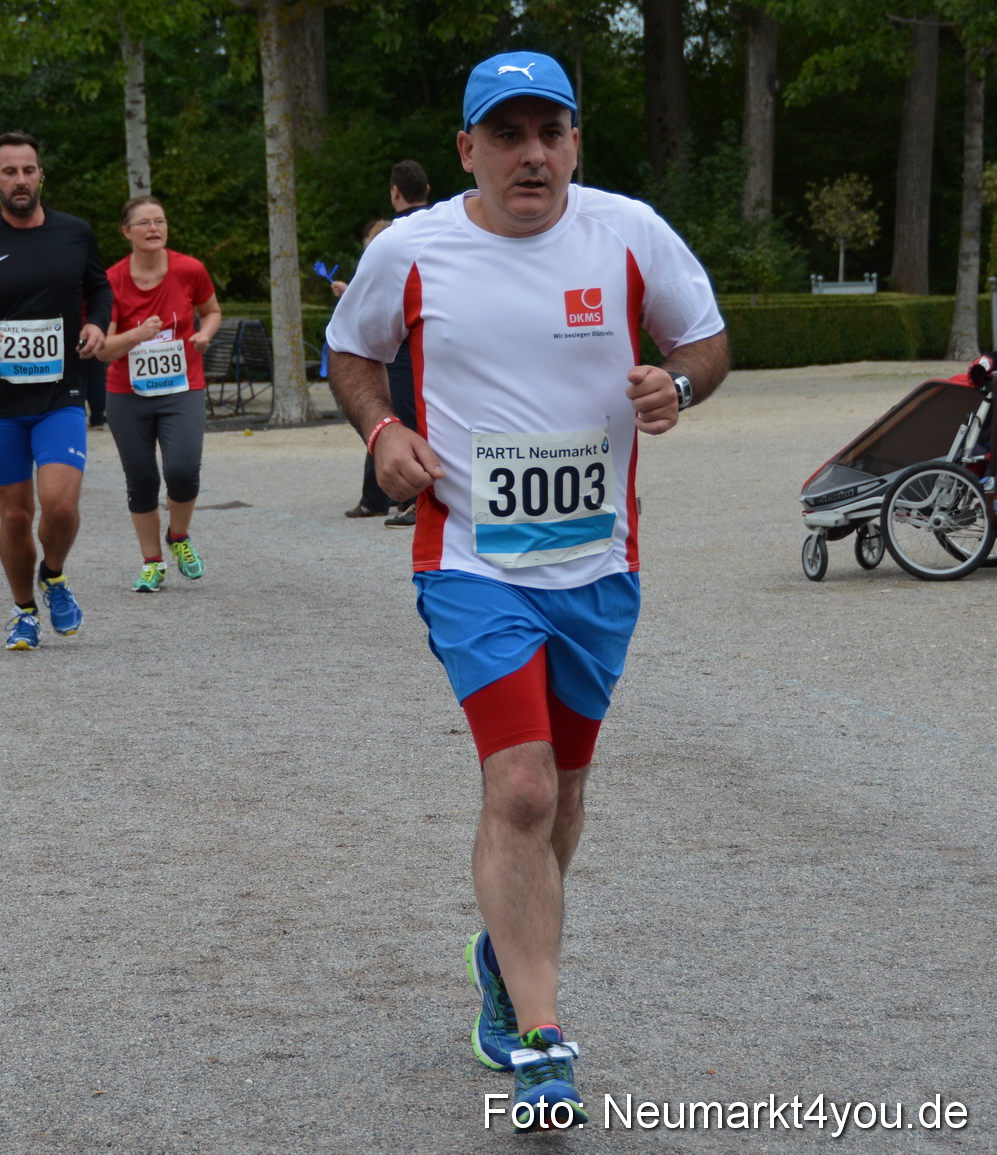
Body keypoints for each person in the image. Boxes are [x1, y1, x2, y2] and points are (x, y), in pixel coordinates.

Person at [325, 52, 728, 1131]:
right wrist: (381, 429)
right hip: (469, 564)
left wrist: (675, 382)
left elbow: (707, 336)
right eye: (506, 135)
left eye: (549, 131)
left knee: (569, 786)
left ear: (575, 143)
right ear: (467, 150)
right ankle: (542, 1043)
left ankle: (503, 958)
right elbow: (349, 354)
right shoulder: (411, 250)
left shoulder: (629, 232)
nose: (531, 155)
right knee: (522, 790)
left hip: (599, 568)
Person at [0, 131, 111, 649]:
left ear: (40, 175)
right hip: (0, 400)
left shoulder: (75, 234)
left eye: (28, 170)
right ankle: (23, 610)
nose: (20, 180)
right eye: (9, 171)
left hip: (60, 395)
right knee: (15, 514)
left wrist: (98, 324)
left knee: (58, 505)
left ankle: (53, 574)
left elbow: (98, 288)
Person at [96, 195, 221, 593]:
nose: (154, 229)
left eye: (160, 222)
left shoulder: (190, 269)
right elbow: (103, 349)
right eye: (144, 223)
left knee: (183, 470)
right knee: (142, 478)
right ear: (126, 231)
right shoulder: (111, 280)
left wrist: (204, 333)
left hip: (182, 387)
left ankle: (179, 536)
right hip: (126, 393)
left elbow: (213, 310)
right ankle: (152, 562)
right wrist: (138, 335)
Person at [341, 160, 430, 526]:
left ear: (395, 191)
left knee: (389, 416)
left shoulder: (392, 237)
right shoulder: (452, 229)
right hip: (431, 344)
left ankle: (404, 499)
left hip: (401, 346)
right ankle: (380, 497)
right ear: (427, 189)